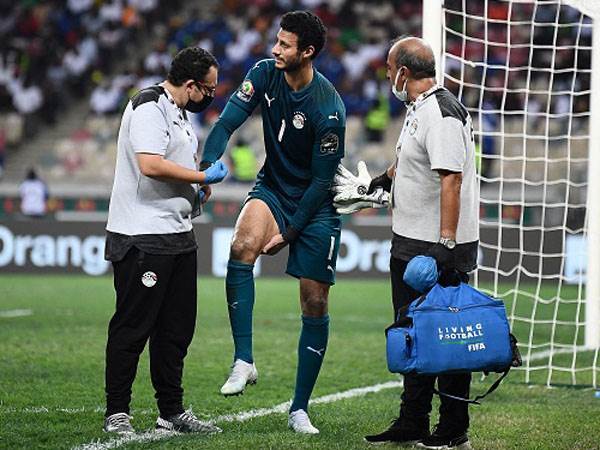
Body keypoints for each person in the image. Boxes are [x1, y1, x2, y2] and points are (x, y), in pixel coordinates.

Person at [201, 11, 345, 434]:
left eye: (284, 45)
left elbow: (321, 183)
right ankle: (243, 360)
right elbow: (226, 122)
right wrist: (207, 169)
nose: (274, 49)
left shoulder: (329, 108)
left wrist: (290, 234)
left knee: (314, 302)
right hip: (272, 190)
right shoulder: (264, 74)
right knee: (241, 245)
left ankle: (299, 408)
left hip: (316, 207)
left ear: (308, 52)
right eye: (276, 41)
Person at [337, 37, 479, 449]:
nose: (385, 73)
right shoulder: (420, 109)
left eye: (388, 66)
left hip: (435, 248)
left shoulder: (442, 112)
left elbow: (450, 178)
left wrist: (446, 245)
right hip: (411, 242)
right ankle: (412, 421)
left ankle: (454, 431)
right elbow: (415, 162)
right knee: (412, 335)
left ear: (403, 71)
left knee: (449, 339)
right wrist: (382, 181)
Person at [103, 47, 228, 435]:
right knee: (133, 326)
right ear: (190, 85)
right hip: (142, 235)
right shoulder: (148, 106)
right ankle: (117, 412)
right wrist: (202, 179)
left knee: (175, 330)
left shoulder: (178, 114)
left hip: (177, 236)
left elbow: (173, 171)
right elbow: (151, 164)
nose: (210, 96)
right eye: (207, 89)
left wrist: (194, 193)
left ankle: (171, 411)